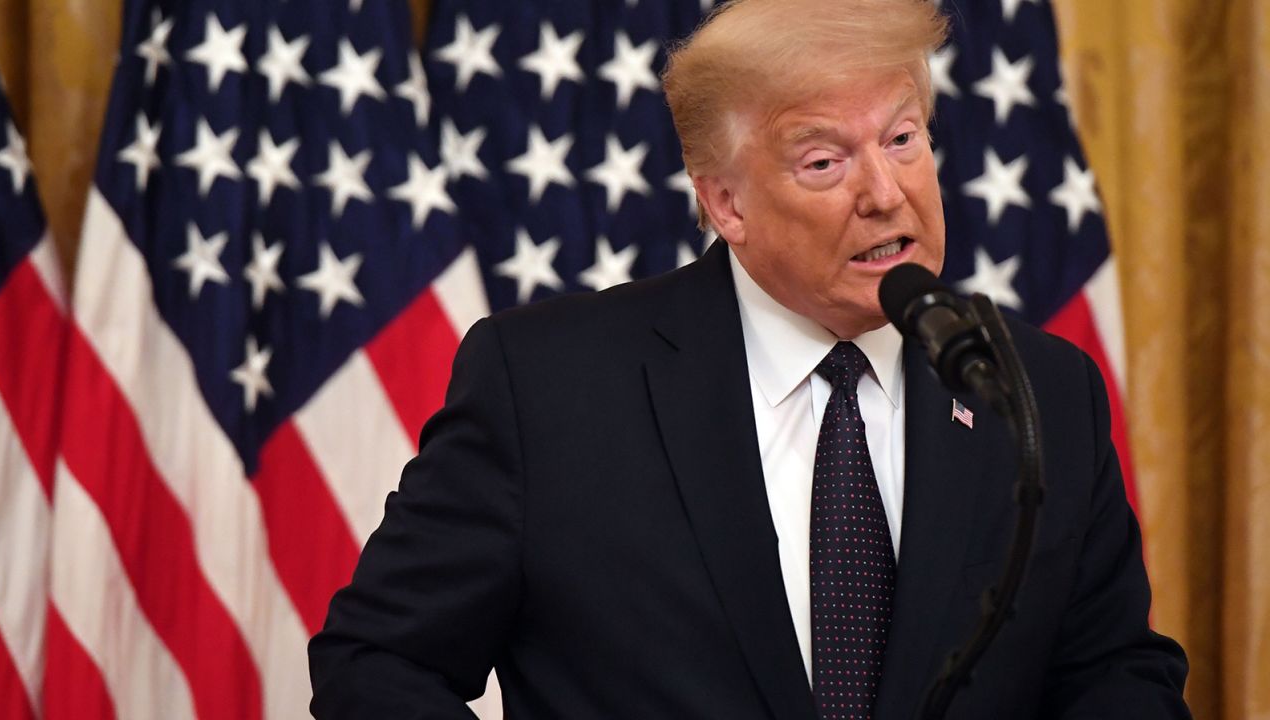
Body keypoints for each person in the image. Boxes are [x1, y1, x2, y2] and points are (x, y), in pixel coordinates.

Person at [308, 0, 1190, 717]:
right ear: (725, 202)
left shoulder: (1038, 392)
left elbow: (1115, 675)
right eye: (823, 160)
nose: (886, 193)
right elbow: (375, 664)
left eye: (903, 138)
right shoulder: (549, 389)